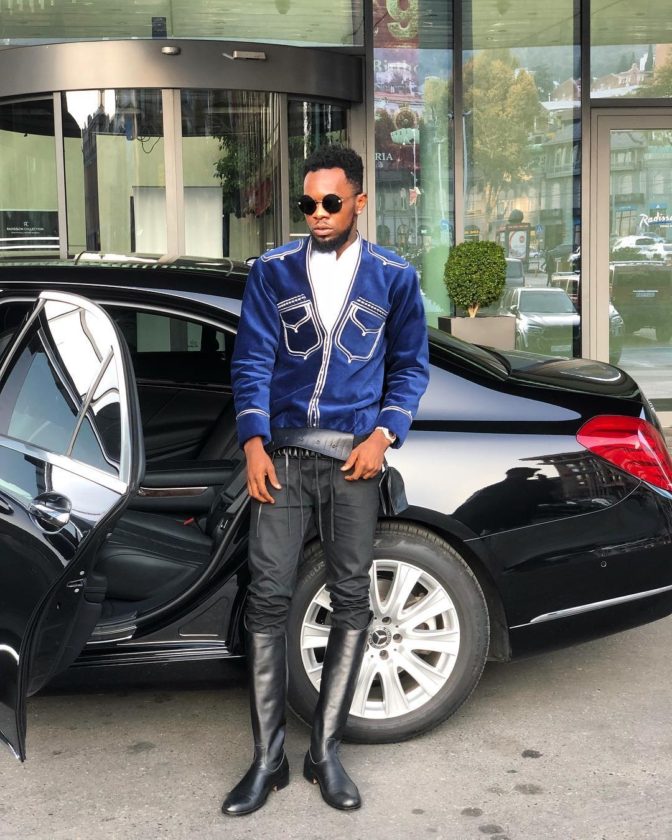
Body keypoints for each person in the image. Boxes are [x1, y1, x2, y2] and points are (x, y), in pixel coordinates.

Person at [222, 145, 429, 816]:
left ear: (359, 202)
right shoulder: (272, 271)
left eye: (331, 202)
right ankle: (267, 761)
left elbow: (410, 367)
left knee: (350, 599)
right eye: (307, 202)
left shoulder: (394, 277)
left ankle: (325, 754)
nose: (317, 213)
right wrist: (253, 443)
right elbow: (251, 360)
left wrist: (383, 435)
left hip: (352, 463)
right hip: (282, 458)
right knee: (267, 598)